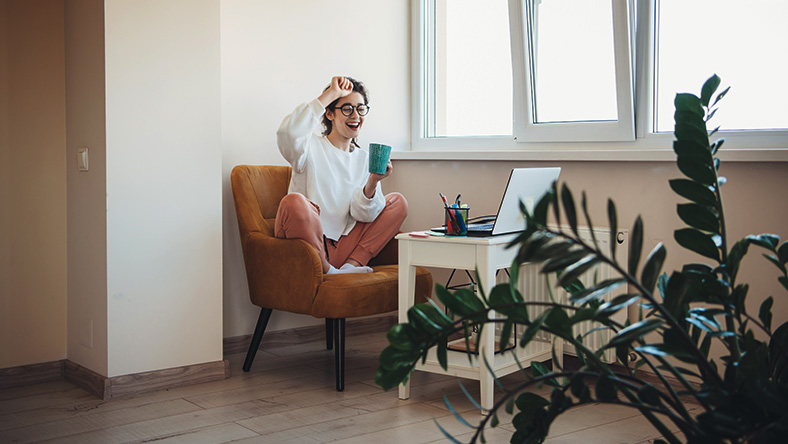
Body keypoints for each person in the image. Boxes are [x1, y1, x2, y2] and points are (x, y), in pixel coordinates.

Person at [275, 76, 407, 275]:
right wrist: (330, 94)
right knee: (293, 202)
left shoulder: (365, 159)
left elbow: (364, 215)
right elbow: (287, 133)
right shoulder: (309, 147)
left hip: (342, 247)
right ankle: (327, 270)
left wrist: (373, 181)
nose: (355, 115)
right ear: (329, 113)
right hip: (308, 244)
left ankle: (351, 266)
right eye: (347, 109)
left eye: (360, 109)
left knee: (398, 202)